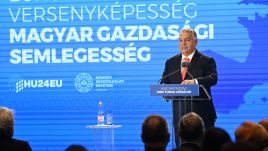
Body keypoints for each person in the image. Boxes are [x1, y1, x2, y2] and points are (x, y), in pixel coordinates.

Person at [161, 28, 218, 147]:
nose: (183, 44)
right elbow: (164, 81)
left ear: (196, 42)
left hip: (202, 116)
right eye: (180, 40)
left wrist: (195, 81)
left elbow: (213, 78)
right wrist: (165, 90)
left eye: (187, 40)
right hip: (179, 118)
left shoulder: (206, 60)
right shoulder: (171, 62)